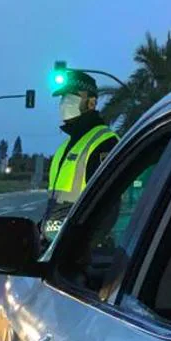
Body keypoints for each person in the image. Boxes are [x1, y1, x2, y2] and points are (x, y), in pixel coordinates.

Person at [44, 70, 119, 234]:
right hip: (57, 243)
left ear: (91, 103)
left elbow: (107, 208)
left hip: (80, 248)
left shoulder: (104, 142)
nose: (64, 104)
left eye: (71, 98)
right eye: (62, 99)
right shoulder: (65, 146)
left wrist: (81, 246)